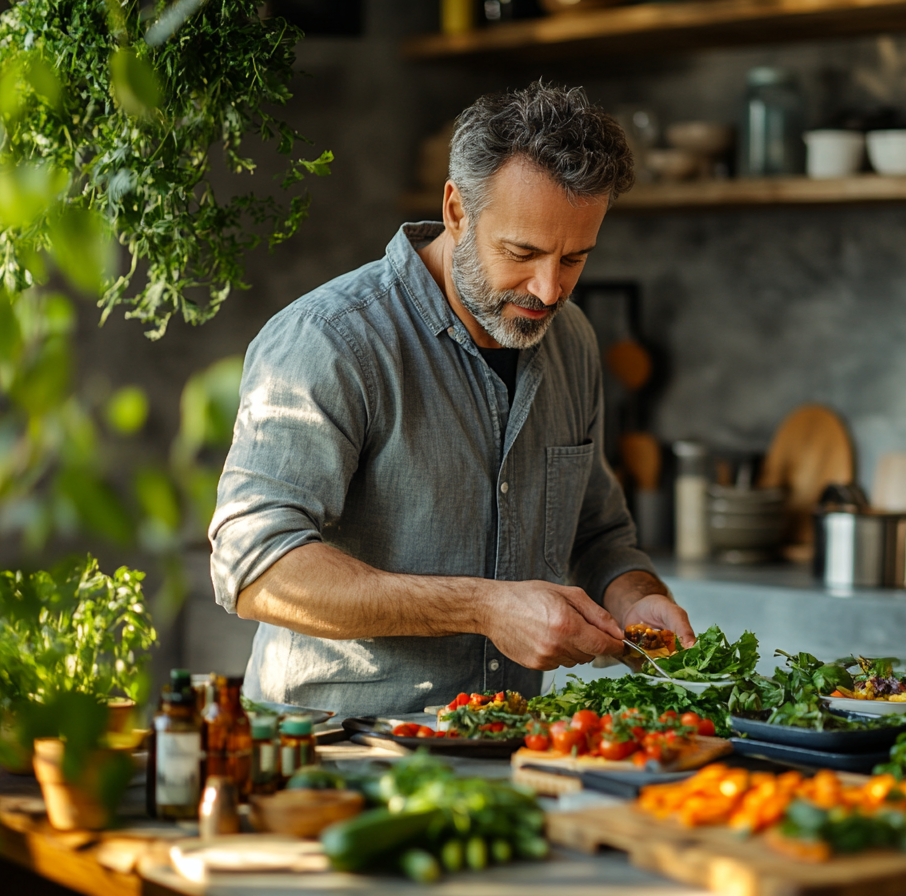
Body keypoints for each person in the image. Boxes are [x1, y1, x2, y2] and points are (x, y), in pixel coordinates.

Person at [208, 82, 695, 718]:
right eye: (522, 252)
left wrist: (634, 596)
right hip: (333, 753)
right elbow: (254, 566)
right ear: (457, 211)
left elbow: (598, 532)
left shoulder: (570, 339)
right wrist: (482, 606)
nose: (549, 289)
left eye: (575, 258)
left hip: (506, 748)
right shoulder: (328, 341)